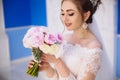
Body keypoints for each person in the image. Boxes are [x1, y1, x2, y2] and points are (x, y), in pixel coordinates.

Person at [28, 0, 102, 80]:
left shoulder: (93, 48)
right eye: (63, 13)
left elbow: (58, 64)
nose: (64, 19)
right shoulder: (64, 38)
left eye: (70, 14)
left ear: (86, 15)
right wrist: (47, 68)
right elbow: (57, 77)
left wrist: (58, 62)